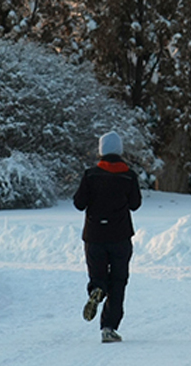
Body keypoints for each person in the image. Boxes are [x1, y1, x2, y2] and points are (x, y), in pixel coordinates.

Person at [73, 131, 142, 343]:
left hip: (94, 236)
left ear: (101, 151)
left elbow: (79, 203)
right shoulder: (129, 175)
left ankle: (97, 289)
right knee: (119, 281)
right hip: (120, 237)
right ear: (119, 150)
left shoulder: (91, 175)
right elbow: (135, 204)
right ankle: (109, 327)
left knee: (98, 275)